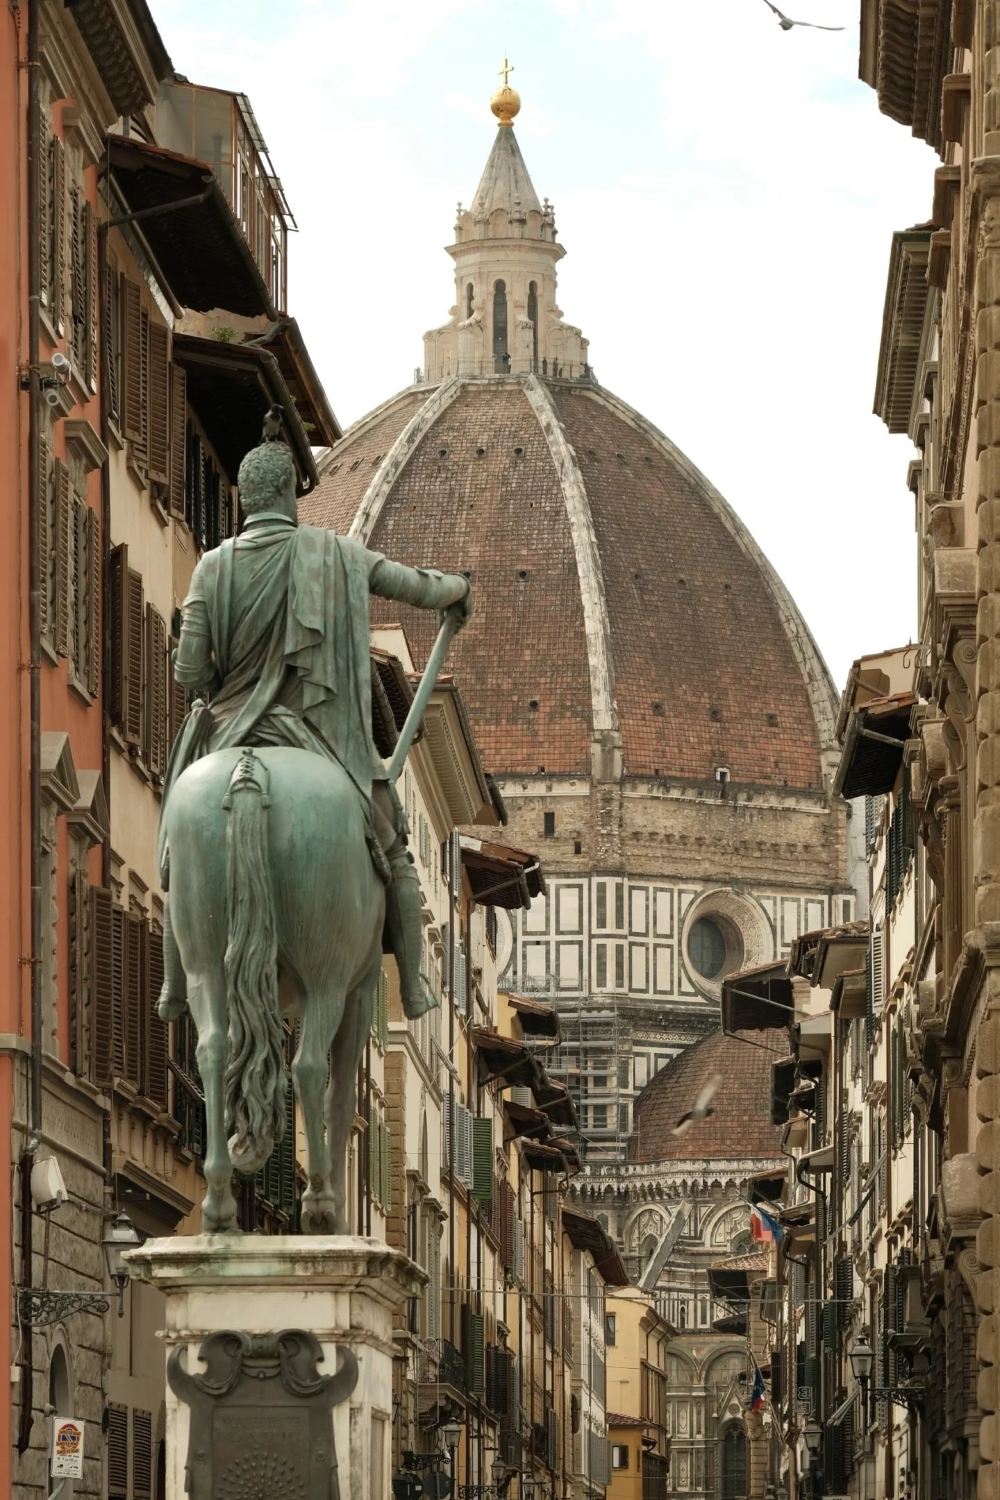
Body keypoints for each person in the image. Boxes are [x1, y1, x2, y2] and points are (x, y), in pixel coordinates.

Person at [157, 439, 470, 1024]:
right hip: (321, 740)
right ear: (287, 495)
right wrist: (457, 590)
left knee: (177, 846)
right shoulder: (337, 555)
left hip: (229, 736)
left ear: (246, 499)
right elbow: (415, 587)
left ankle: (177, 983)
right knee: (396, 852)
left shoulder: (212, 567)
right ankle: (414, 987)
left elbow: (189, 673)